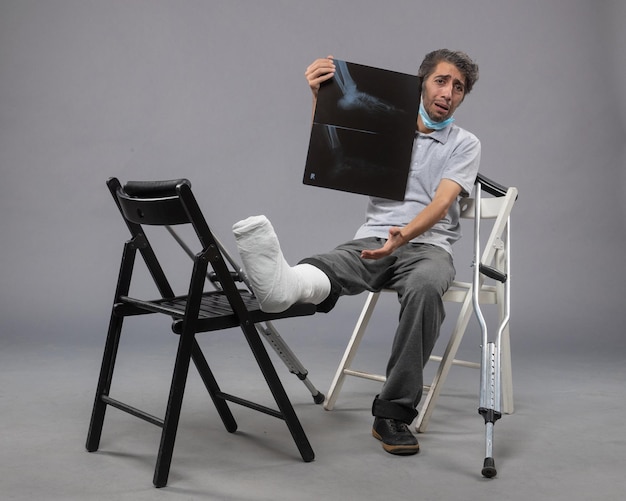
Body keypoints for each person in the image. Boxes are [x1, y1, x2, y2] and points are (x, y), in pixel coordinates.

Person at [233, 49, 480, 456]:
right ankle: (282, 286)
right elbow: (336, 142)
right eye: (441, 80)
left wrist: (404, 236)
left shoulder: (465, 143)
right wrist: (319, 95)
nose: (448, 93)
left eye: (458, 88)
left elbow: (441, 203)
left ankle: (393, 415)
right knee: (334, 262)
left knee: (425, 286)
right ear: (421, 82)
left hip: (427, 247)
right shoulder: (388, 124)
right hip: (373, 239)